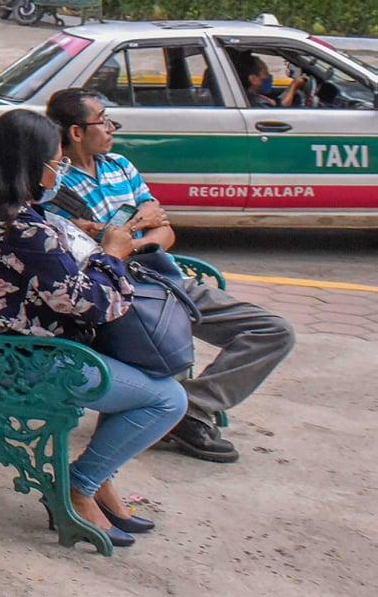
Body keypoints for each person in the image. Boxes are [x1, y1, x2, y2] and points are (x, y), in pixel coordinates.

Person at [0, 108, 183, 547]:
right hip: (28, 363)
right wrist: (113, 253)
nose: (60, 172)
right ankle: (79, 484)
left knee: (138, 366)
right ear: (30, 167)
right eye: (57, 163)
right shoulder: (26, 229)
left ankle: (99, 481)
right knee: (167, 398)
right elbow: (94, 306)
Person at [44, 88, 295, 465]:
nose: (112, 127)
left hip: (165, 280)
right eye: (103, 120)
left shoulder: (120, 167)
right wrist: (137, 232)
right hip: (119, 291)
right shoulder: (56, 185)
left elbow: (166, 232)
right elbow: (83, 251)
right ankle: (177, 415)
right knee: (163, 349)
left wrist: (130, 238)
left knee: (273, 330)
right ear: (77, 132)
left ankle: (192, 407)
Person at [231, 51, 305, 108]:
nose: (269, 76)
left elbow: (278, 104)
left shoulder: (250, 96)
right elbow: (279, 113)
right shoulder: (254, 103)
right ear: (253, 79)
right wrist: (294, 86)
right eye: (265, 73)